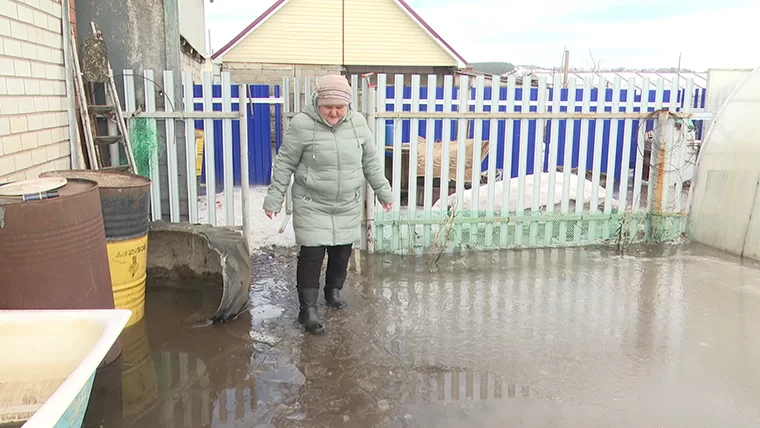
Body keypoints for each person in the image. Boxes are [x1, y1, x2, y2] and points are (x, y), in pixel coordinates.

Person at [263, 74, 393, 334]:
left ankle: (333, 291)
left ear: (348, 106)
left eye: (339, 107)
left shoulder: (358, 124)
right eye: (328, 106)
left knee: (342, 251)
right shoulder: (302, 125)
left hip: (347, 202)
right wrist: (274, 197)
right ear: (317, 103)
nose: (333, 112)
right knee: (312, 254)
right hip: (312, 202)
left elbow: (370, 162)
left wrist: (384, 192)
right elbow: (285, 162)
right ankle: (307, 309)